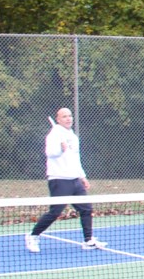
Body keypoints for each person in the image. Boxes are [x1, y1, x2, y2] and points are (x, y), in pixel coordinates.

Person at [25, 108, 107, 252]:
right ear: (58, 119)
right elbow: (49, 153)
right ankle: (33, 236)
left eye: (70, 116)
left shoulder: (73, 136)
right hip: (59, 179)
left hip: (75, 180)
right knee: (55, 211)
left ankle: (88, 240)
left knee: (86, 209)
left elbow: (75, 159)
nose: (68, 119)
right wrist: (60, 150)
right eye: (64, 116)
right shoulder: (53, 135)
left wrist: (82, 176)